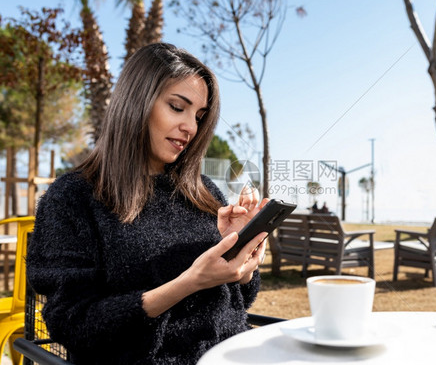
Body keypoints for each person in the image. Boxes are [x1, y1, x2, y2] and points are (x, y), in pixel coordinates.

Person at [26, 43, 269, 365]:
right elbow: (71, 324)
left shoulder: (202, 191)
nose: (191, 128)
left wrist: (242, 267)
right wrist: (187, 283)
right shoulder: (72, 197)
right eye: (177, 107)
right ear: (136, 101)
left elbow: (236, 304)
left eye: (199, 116)